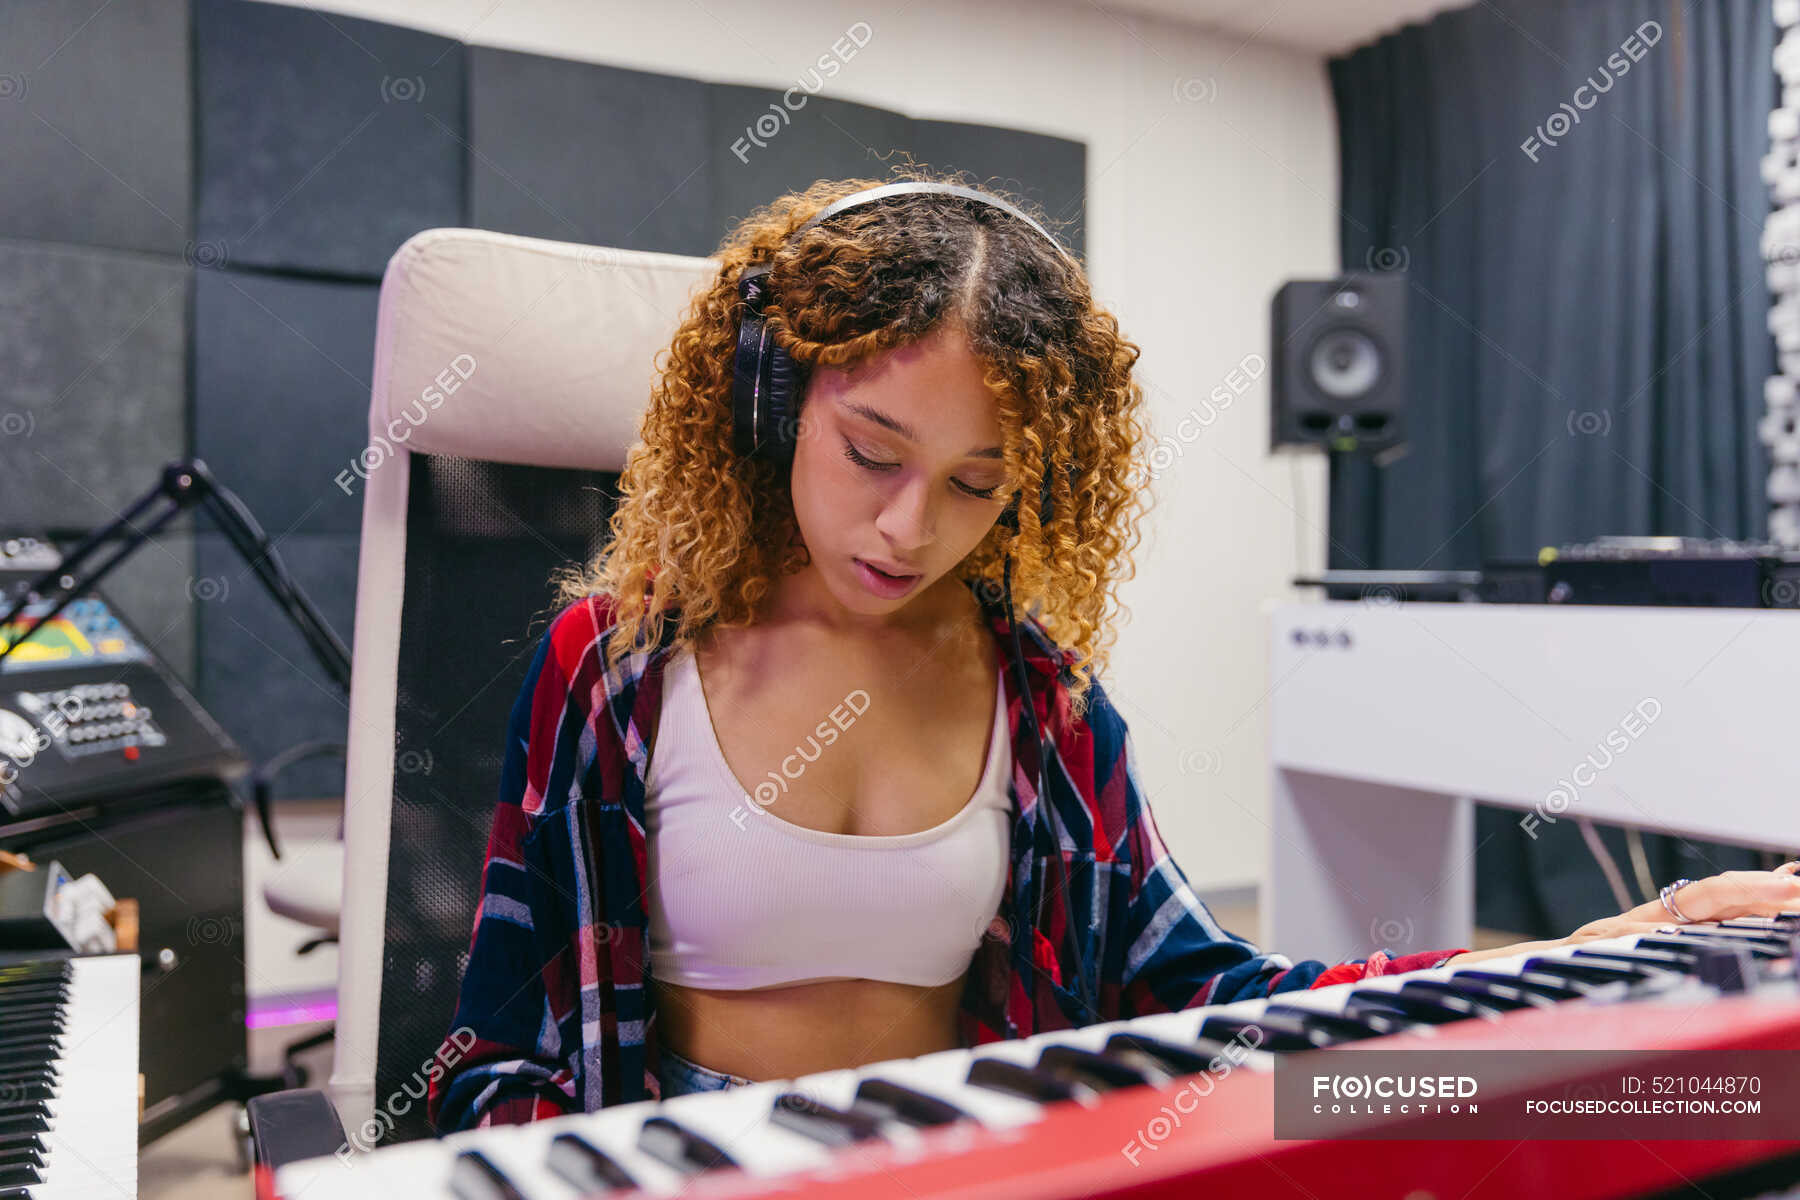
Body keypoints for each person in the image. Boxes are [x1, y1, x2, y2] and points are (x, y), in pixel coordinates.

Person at [426, 173, 1800, 1131]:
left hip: (963, 1154)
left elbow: (1211, 995)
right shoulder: (613, 666)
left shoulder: (1042, 703)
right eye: (872, 452)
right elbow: (496, 1046)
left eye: (976, 483)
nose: (912, 528)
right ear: (771, 398)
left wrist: (1574, 956)